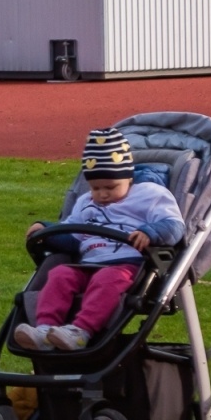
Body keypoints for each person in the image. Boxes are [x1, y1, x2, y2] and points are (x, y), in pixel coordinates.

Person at [17, 127, 185, 351]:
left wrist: (150, 232)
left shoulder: (149, 194)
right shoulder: (86, 201)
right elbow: (72, 234)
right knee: (59, 274)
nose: (102, 194)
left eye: (110, 187)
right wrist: (46, 231)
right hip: (87, 262)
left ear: (128, 178)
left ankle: (80, 331)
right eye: (96, 188)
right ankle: (45, 330)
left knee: (106, 280)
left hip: (127, 262)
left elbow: (174, 226)